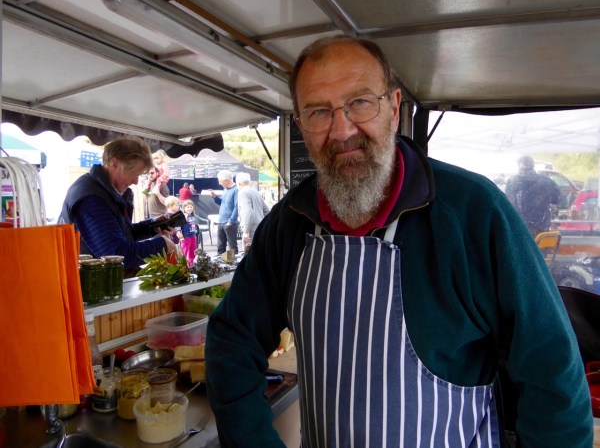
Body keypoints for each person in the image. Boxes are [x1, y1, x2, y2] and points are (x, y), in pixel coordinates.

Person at [205, 36, 592, 448]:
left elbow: (553, 375)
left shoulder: (473, 213)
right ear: (301, 126)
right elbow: (233, 340)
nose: (342, 131)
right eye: (319, 112)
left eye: (360, 102)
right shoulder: (290, 223)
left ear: (393, 107)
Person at [59, 137, 177, 275]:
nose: (136, 181)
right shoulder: (91, 199)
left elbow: (122, 233)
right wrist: (162, 244)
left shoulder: (107, 191)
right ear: (115, 164)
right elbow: (116, 254)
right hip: (91, 283)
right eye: (135, 174)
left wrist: (152, 226)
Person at [505, 155, 561, 237]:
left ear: (521, 166)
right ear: (532, 166)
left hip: (521, 230)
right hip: (542, 231)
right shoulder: (547, 181)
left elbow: (509, 205)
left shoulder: (512, 181)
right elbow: (557, 199)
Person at [208, 170, 239, 255]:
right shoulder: (226, 189)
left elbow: (237, 207)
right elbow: (222, 202)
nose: (219, 183)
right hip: (221, 221)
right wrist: (215, 197)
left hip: (230, 223)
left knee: (232, 248)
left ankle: (234, 263)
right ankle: (220, 262)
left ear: (226, 180)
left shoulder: (236, 190)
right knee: (220, 247)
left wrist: (231, 221)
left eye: (220, 181)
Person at [235, 172, 270, 243]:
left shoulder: (242, 192)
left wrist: (246, 231)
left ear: (239, 183)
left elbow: (248, 212)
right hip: (260, 227)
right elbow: (267, 211)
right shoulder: (256, 192)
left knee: (248, 249)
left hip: (250, 229)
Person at [176, 199, 198, 266]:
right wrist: (179, 233)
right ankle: (182, 265)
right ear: (184, 208)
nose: (189, 208)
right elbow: (178, 225)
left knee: (193, 251)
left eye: (191, 207)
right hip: (185, 236)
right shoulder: (183, 216)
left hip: (193, 236)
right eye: (188, 207)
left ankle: (191, 264)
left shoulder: (192, 216)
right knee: (184, 251)